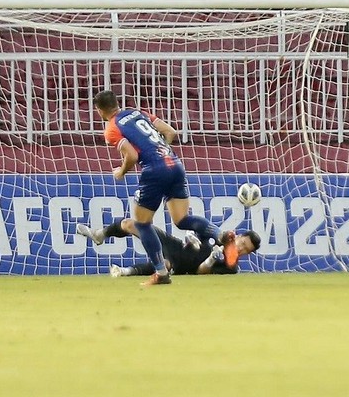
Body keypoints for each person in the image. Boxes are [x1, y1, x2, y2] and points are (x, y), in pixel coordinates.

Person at [94, 89, 225, 286]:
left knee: (142, 224)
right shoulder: (137, 112)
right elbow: (170, 132)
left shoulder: (112, 128)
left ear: (99, 110)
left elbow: (132, 156)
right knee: (182, 219)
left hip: (154, 170)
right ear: (116, 103)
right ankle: (220, 234)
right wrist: (161, 153)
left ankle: (161, 272)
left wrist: (121, 171)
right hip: (175, 164)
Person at [77, 219, 261, 276]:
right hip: (175, 245)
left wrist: (211, 259)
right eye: (243, 243)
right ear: (238, 236)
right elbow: (199, 228)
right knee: (131, 224)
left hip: (181, 264)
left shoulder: (231, 267)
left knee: (164, 264)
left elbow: (200, 272)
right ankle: (100, 235)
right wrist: (191, 235)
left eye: (246, 250)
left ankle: (125, 271)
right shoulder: (220, 235)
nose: (242, 249)